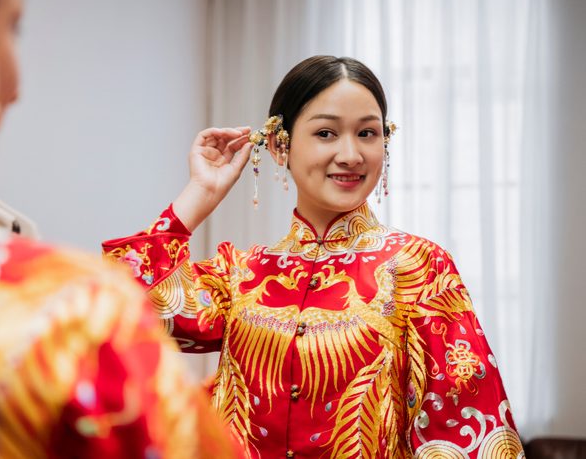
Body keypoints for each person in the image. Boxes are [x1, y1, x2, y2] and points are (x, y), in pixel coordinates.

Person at [102, 56, 525, 458]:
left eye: (367, 133)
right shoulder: (242, 275)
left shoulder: (417, 266)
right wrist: (201, 194)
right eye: (326, 133)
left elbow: (463, 425)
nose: (351, 155)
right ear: (279, 146)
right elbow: (123, 306)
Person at [0, 0, 239, 457]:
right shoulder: (70, 309)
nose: (16, 87)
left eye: (369, 131)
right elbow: (152, 305)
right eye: (12, 28)